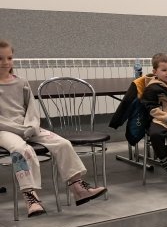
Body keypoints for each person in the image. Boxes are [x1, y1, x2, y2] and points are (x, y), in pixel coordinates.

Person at [0, 39, 107, 217]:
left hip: (26, 126)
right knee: (22, 150)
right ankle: (31, 197)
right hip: (4, 130)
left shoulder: (21, 82)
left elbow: (31, 109)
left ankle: (78, 188)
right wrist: (17, 129)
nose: (6, 62)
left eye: (9, 58)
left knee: (62, 143)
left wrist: (32, 126)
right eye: (0, 58)